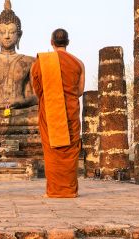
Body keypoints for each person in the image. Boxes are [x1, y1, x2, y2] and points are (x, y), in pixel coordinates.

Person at [30, 28, 85, 198]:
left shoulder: (41, 62)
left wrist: (53, 96)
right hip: (70, 112)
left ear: (51, 42)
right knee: (69, 150)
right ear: (67, 42)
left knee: (53, 151)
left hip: (50, 111)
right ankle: (69, 190)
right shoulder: (78, 63)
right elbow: (80, 91)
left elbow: (36, 90)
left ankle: (54, 191)